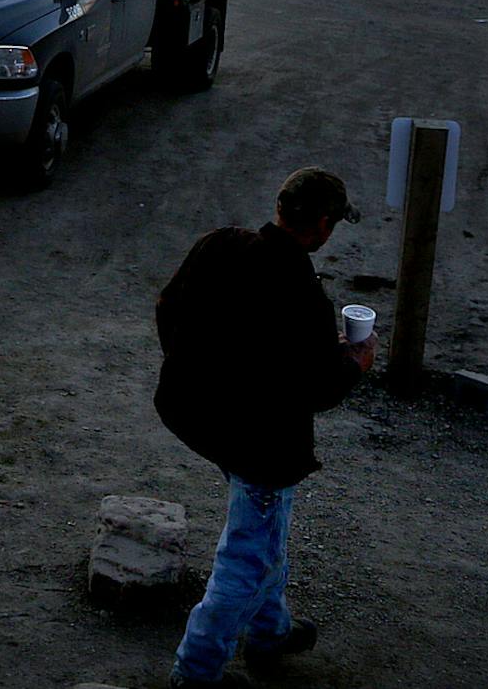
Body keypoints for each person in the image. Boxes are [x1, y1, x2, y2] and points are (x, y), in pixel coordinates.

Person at [154, 167, 378, 688]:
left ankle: (270, 631)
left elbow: (167, 305)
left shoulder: (220, 245)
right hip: (260, 443)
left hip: (196, 415)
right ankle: (196, 669)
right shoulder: (301, 294)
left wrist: (190, 370)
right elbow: (320, 387)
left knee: (265, 525)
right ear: (322, 225)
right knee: (247, 557)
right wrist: (355, 363)